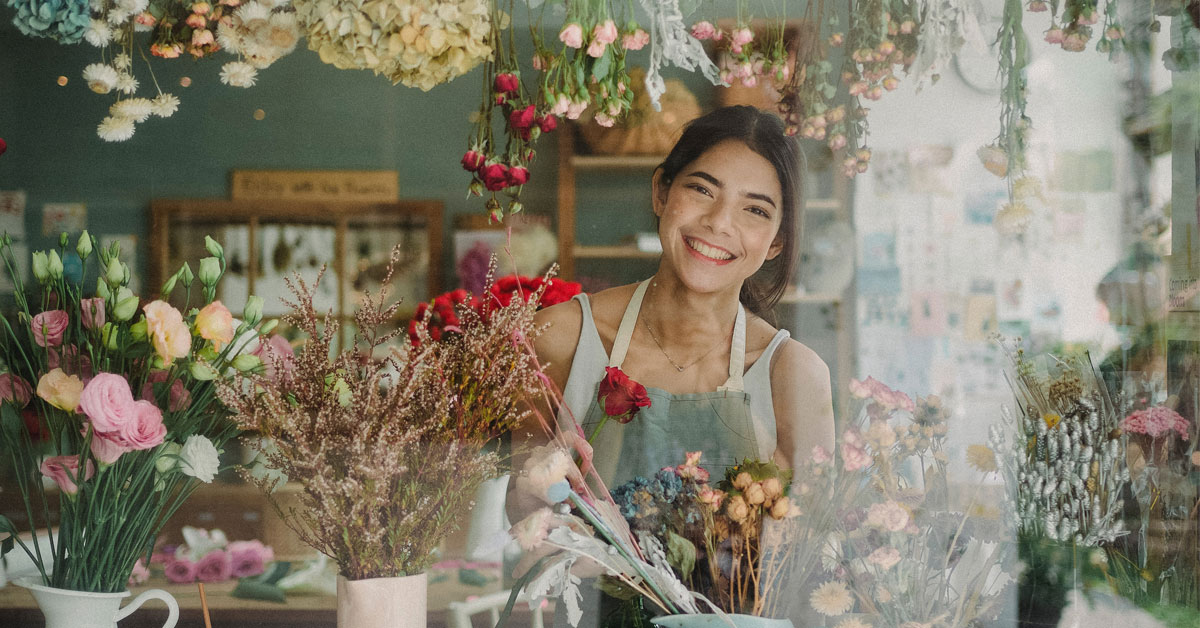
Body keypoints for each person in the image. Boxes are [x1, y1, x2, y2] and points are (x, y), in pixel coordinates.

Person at [509, 105, 836, 626]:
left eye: (755, 210)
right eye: (702, 190)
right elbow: (520, 511)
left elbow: (811, 569)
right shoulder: (563, 336)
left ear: (776, 241)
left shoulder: (791, 374)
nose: (718, 223)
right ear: (662, 191)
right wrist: (532, 489)